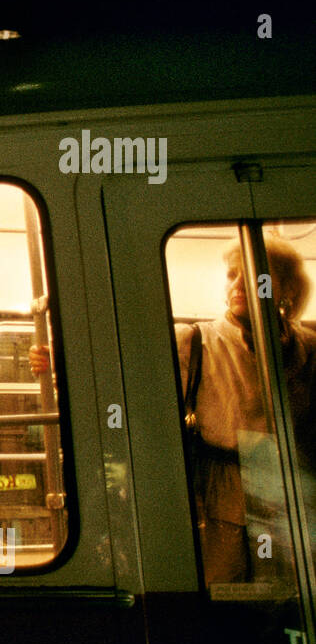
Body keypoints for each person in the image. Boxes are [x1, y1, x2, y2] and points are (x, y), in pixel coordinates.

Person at [30, 236, 316, 583]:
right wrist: (60, 366)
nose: (238, 285)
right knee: (223, 587)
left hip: (291, 490)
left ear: (284, 287)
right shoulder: (195, 341)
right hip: (220, 488)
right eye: (231, 275)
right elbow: (124, 392)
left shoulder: (307, 348)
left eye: (255, 274)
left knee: (285, 591)